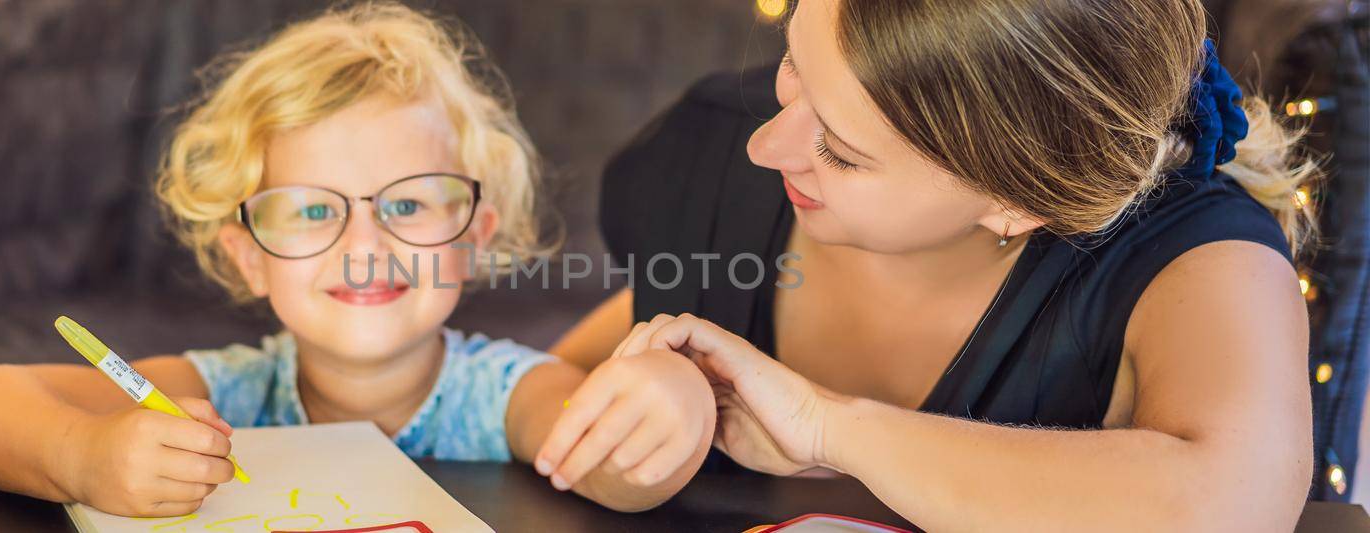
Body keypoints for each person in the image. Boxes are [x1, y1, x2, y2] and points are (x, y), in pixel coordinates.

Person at [548, 0, 1319, 529]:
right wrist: (661, 393)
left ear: (1015, 202)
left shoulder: (1196, 259)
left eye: (842, 154)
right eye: (794, 65)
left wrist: (828, 426)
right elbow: (560, 372)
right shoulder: (713, 162)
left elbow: (1233, 506)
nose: (766, 145)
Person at [0, 2, 714, 516]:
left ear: (474, 235)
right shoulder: (223, 392)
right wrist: (83, 456)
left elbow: (619, 469)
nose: (364, 247)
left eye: (406, 204)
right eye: (311, 210)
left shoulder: (506, 393)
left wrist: (675, 405)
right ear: (248, 259)